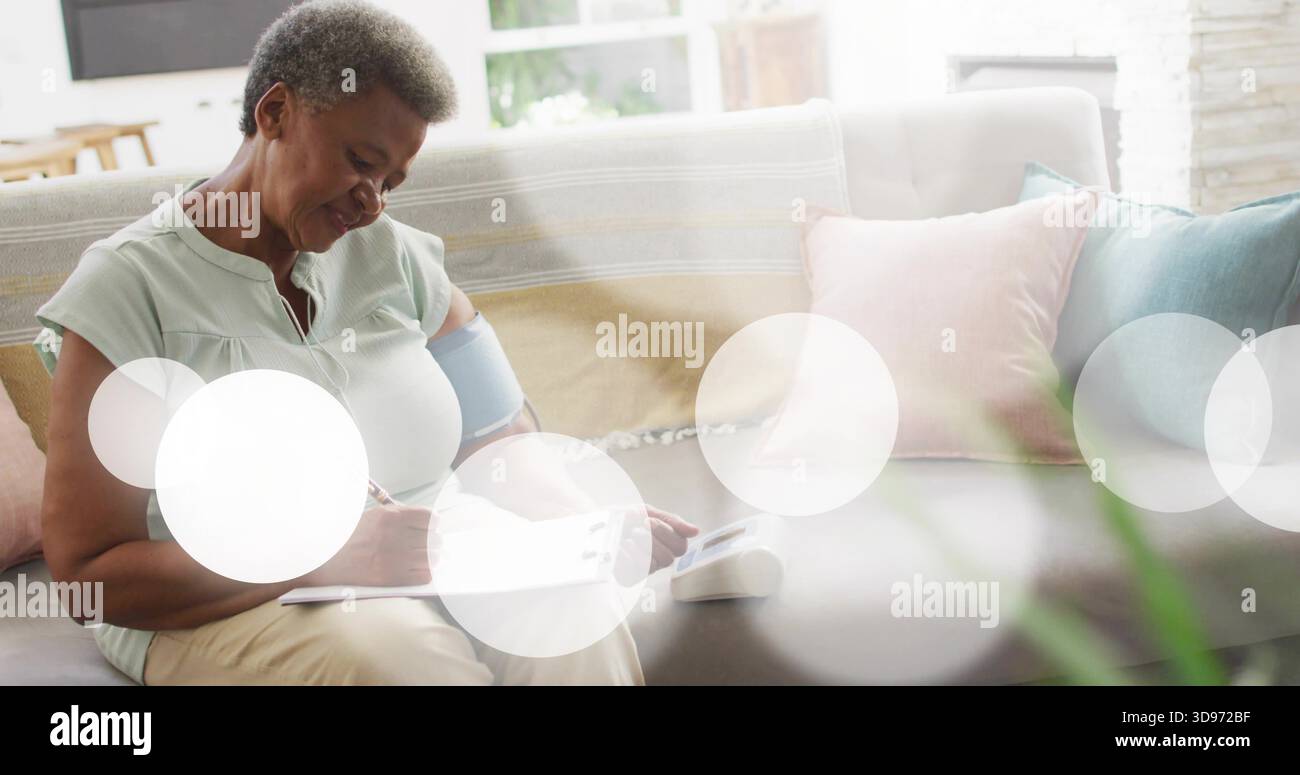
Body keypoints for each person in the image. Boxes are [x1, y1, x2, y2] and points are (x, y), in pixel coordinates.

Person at [35, 0, 697, 686]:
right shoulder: (128, 286)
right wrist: (323, 556)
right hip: (227, 604)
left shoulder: (399, 257)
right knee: (401, 657)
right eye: (360, 160)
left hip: (439, 554)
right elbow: (92, 573)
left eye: (391, 181)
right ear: (275, 113)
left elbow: (503, 438)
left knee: (571, 617)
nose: (372, 201)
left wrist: (583, 531)